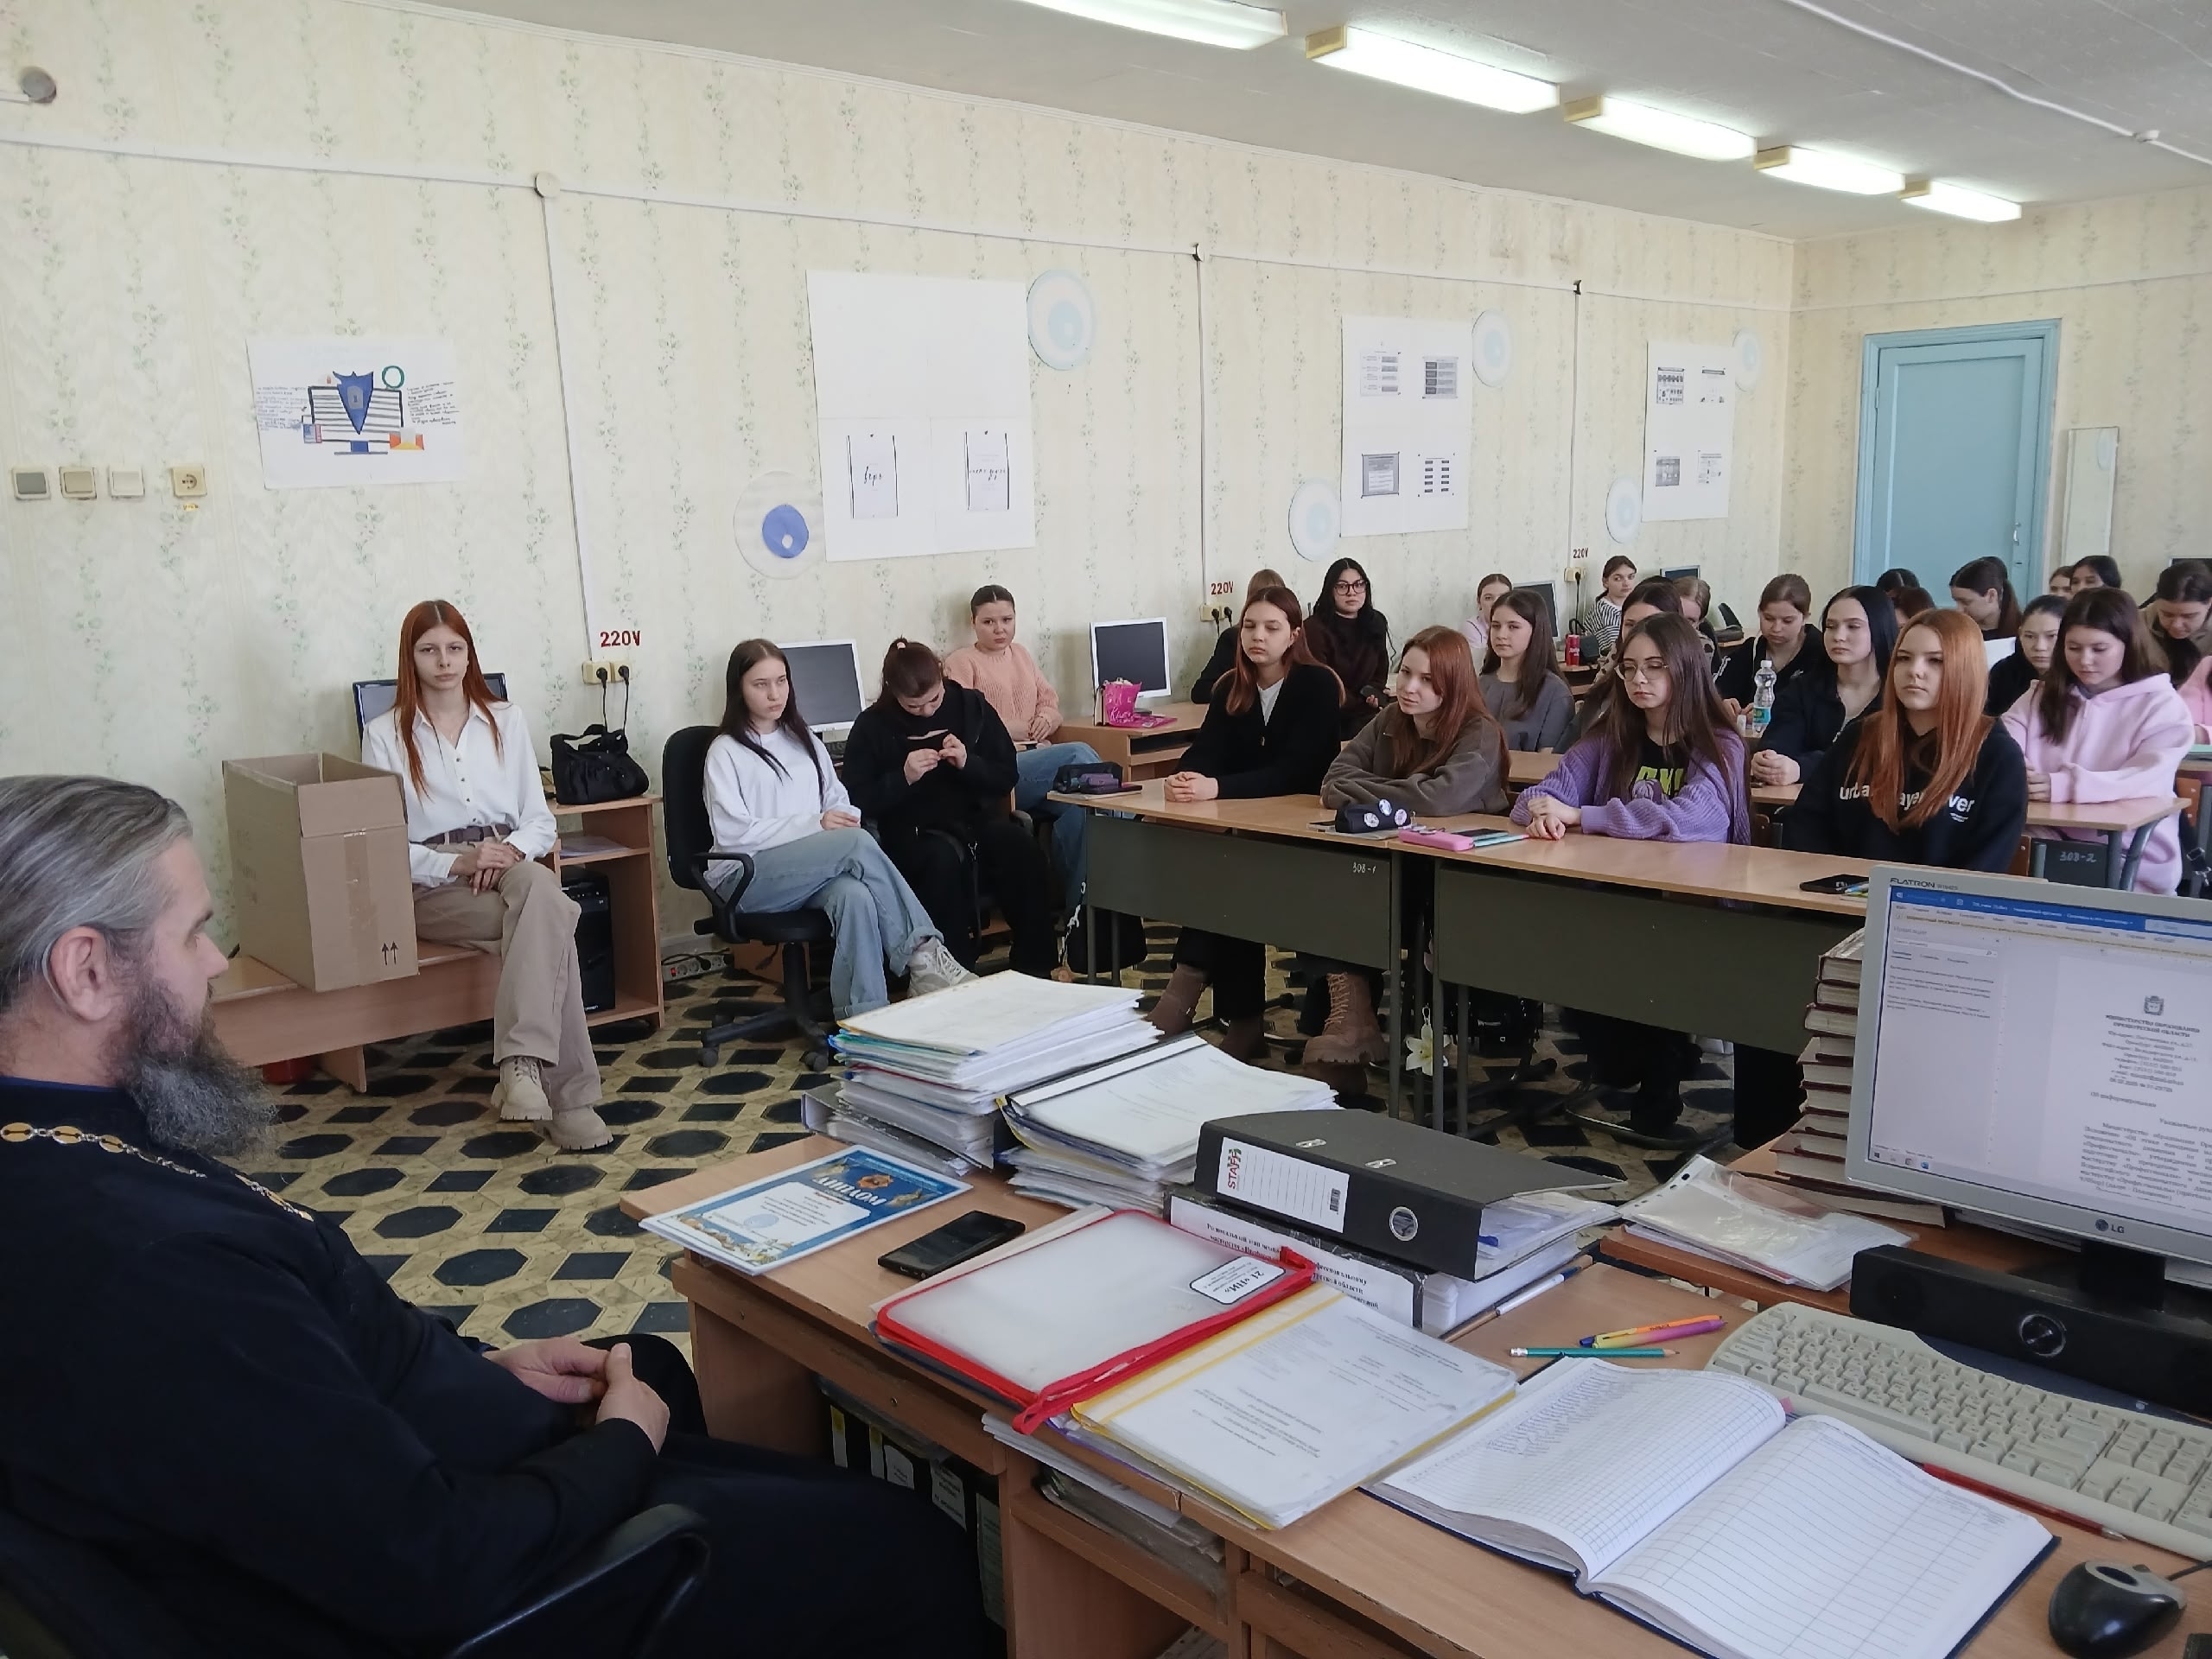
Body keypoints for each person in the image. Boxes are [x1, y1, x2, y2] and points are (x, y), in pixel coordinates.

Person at [0, 774, 991, 1659]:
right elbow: (431, 1564)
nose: (217, 965)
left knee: (650, 1367)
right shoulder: (145, 1267)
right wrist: (620, 1448)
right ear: (86, 971)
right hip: (492, 1587)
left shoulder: (66, 1151)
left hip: (416, 1457)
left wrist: (474, 1369)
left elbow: (285, 1391)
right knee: (904, 1546)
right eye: (192, 934)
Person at [360, 601, 607, 1153]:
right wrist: (457, 862)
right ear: (410, 658)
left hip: (507, 859)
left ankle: (522, 1066)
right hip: (433, 880)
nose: (444, 661)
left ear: (469, 654)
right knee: (552, 920)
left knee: (542, 899)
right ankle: (570, 1099)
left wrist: (506, 852)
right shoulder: (384, 735)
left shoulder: (506, 719)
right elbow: (382, 846)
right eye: (429, 650)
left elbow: (540, 820)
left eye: (455, 648)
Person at [1510, 614, 1751, 1147]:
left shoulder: (1718, 745)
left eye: (1655, 667)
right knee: (1608, 1043)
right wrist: (1545, 814)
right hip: (1610, 904)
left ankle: (1664, 1076)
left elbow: (1694, 820)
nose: (1640, 679)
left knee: (1652, 972)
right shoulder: (1610, 737)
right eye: (1629, 668)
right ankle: (1657, 1055)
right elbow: (1534, 797)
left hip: (1688, 910)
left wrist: (1586, 816)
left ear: (1685, 669)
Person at [703, 640, 974, 1018]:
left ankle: (864, 1017)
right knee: (855, 844)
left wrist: (840, 817)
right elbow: (735, 834)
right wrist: (815, 824)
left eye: (781, 681)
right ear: (739, 689)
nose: (775, 694)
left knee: (855, 896)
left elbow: (837, 797)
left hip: (808, 870)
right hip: (745, 876)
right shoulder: (725, 751)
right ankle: (923, 954)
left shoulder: (802, 739)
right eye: (760, 684)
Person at [1147, 588, 1343, 1059]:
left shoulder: (1316, 685)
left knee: (1231, 876)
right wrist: (1185, 776)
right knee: (1227, 873)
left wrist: (1217, 788)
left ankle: (1201, 997)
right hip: (1246, 828)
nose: (1258, 636)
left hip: (1305, 830)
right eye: (1250, 626)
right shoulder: (1230, 687)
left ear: (1294, 635)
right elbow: (1205, 751)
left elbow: (1298, 770)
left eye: (1272, 628)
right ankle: (1241, 1019)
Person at [1307, 630, 1508, 1083]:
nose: (1409, 687)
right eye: (1405, 673)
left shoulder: (1479, 732)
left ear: (1453, 685)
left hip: (1461, 876)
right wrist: (1400, 796)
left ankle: (1367, 1027)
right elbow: (1333, 778)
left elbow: (1440, 798)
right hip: (1396, 861)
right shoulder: (1390, 718)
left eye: (1426, 680)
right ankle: (1352, 1021)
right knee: (1325, 879)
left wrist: (1369, 793)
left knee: (1359, 892)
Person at [842, 640, 1057, 975]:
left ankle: (1036, 968)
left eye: (935, 700)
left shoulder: (970, 706)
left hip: (974, 822)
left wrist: (969, 762)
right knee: (939, 862)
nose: (927, 712)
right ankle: (954, 973)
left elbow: (1006, 775)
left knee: (1019, 847)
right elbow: (857, 798)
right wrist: (903, 777)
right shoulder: (873, 725)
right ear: (894, 694)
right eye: (914, 707)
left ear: (942, 678)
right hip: (913, 834)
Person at [1783, 610, 2030, 872]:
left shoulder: (1997, 755)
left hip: (1937, 898)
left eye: (1936, 661)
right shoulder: (1859, 737)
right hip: (1841, 893)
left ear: (1966, 670)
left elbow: (1985, 864)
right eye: (1903, 658)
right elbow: (1806, 828)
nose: (1914, 671)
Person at [2002, 588, 2196, 893]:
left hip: (2125, 853)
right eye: (2073, 648)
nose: (2085, 660)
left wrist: (2065, 786)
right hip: (2041, 838)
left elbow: (2144, 778)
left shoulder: (2161, 705)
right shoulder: (2042, 695)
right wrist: (2017, 772)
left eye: (2099, 649)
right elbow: (2003, 743)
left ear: (2128, 644)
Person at [943, 584, 1100, 918]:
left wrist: (1046, 718)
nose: (999, 629)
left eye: (1007, 620)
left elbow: (1049, 701)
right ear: (973, 623)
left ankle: (1082, 916)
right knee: (1079, 754)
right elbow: (968, 726)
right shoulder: (961, 663)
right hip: (1001, 768)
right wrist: (1021, 727)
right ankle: (1122, 812)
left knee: (1084, 809)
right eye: (989, 622)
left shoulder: (1021, 654)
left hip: (1038, 758)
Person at [1751, 586, 1897, 788]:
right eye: (1831, 626)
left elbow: (1874, 761)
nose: (1838, 636)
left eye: (1853, 626)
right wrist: (1769, 760)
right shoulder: (1803, 689)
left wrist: (1801, 768)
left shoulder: (1898, 695)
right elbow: (1780, 739)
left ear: (1879, 628)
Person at [1306, 556, 1391, 737]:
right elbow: (1324, 685)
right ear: (1330, 590)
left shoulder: (1376, 621)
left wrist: (1374, 693)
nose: (1352, 592)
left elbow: (1381, 671)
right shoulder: (1314, 628)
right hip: (1328, 716)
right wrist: (1363, 703)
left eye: (1359, 585)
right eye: (1343, 586)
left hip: (1367, 713)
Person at [1479, 588, 1573, 752]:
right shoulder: (1479, 684)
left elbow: (1548, 761)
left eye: (1513, 627)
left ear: (1535, 631)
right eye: (1496, 626)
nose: (1501, 635)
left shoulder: (1555, 693)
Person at [1717, 573, 1815, 715]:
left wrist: (1773, 713)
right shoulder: (1751, 650)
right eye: (1769, 618)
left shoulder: (1820, 654)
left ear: (1805, 618)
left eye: (1787, 621)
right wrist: (1722, 704)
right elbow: (1715, 692)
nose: (1776, 628)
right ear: (1759, 612)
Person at [1190, 567, 1286, 704]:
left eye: (1273, 628)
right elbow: (1201, 691)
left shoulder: (1293, 640)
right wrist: (1244, 693)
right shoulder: (1232, 639)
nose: (1259, 637)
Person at [2152, 563, 2212, 741]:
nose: (2177, 625)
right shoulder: (2136, 626)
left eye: (2189, 616)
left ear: (2209, 603)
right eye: (2167, 614)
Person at [1985, 593, 2063, 715]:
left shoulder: (2080, 677)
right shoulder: (2003, 673)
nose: (2039, 647)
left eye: (2051, 636)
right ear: (2020, 634)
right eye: (2030, 636)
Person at [1948, 556, 2022, 639]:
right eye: (1956, 601)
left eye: (1966, 602)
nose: (1959, 610)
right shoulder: (1955, 631)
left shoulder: (2024, 631)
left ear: (1991, 596)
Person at [1460, 571, 1514, 660]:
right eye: (1488, 598)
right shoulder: (1471, 627)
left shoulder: (1521, 625)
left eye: (1502, 598)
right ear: (1479, 602)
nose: (1495, 603)